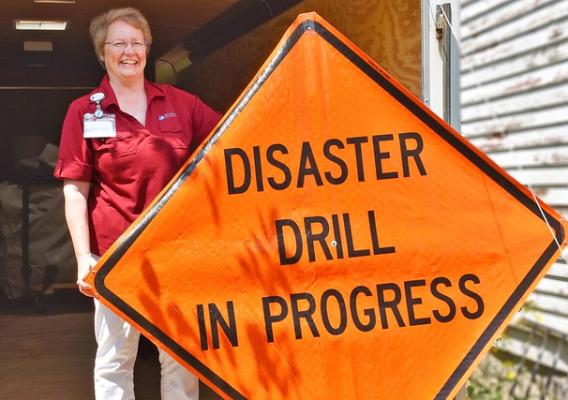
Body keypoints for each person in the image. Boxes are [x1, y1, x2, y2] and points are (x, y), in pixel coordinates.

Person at [54, 7, 221, 400]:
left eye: (136, 42)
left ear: (147, 48)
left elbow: (230, 146)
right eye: (118, 43)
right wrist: (84, 258)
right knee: (115, 359)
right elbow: (75, 189)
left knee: (179, 357)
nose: (128, 51)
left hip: (175, 251)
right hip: (115, 255)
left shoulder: (183, 104)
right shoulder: (84, 111)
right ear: (102, 52)